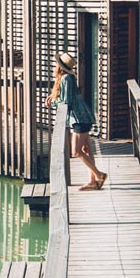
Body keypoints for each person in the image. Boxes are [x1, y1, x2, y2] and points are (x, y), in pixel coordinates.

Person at [48, 51, 107, 191]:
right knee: (86, 149)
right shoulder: (69, 77)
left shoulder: (66, 78)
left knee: (76, 151)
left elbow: (66, 101)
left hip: (79, 119)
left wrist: (53, 102)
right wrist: (54, 98)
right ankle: (92, 181)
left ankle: (99, 175)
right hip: (83, 117)